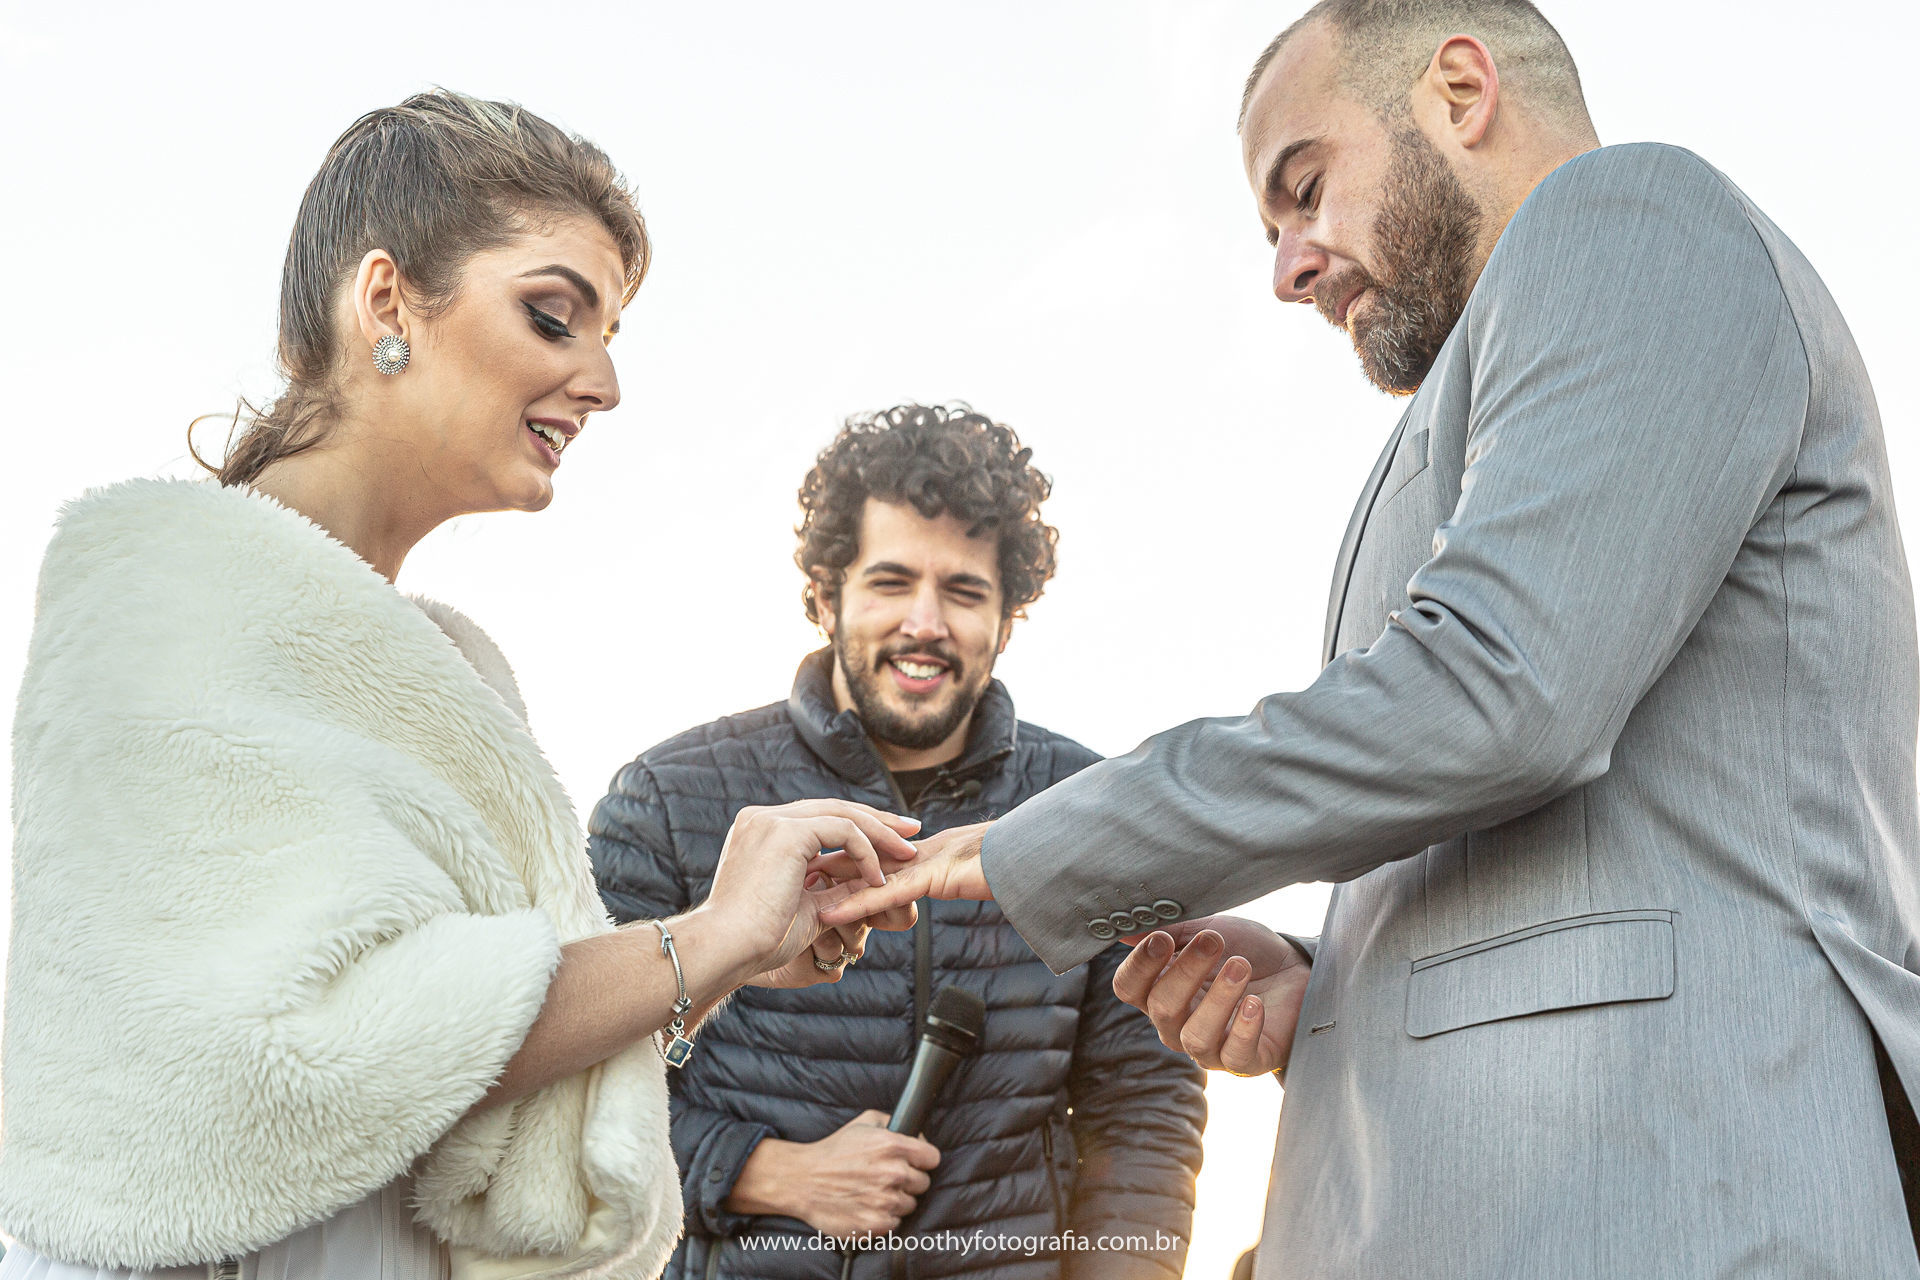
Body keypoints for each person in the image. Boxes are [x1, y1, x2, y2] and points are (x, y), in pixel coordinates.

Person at [820, 2, 1920, 1276]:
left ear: (1460, 89)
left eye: (1304, 189)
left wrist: (1043, 839)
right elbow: (1511, 818)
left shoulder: (1634, 217)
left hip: (1676, 1207)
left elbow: (1497, 693)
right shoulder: (1486, 381)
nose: (1288, 265)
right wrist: (1330, 987)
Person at [0, 91, 913, 1280]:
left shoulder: (446, 666)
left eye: (610, 337)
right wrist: (705, 931)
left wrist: (733, 953)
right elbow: (285, 1062)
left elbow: (452, 1060)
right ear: (386, 300)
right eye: (554, 316)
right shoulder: (156, 602)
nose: (603, 384)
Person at [588, 404, 1206, 1280]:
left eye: (964, 590)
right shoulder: (667, 796)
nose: (926, 622)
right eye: (889, 582)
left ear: (1009, 615)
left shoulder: (1089, 809)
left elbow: (1145, 1104)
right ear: (824, 594)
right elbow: (580, 1086)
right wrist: (770, 1173)